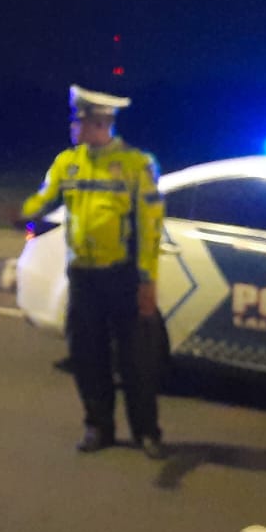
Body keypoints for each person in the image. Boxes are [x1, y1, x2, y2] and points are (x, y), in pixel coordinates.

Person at [21, 85, 167, 459]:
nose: (73, 127)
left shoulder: (136, 164)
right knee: (87, 357)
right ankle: (98, 427)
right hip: (82, 278)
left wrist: (147, 280)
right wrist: (22, 212)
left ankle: (147, 432)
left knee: (136, 361)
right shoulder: (67, 162)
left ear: (101, 123)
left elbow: (150, 227)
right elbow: (43, 198)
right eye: (75, 120)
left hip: (122, 277)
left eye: (79, 121)